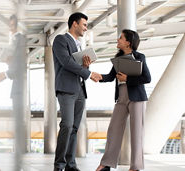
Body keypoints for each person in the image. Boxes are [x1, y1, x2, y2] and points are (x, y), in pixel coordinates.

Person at [94, 29, 151, 171]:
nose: (118, 40)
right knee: (113, 129)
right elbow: (110, 76)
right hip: (121, 97)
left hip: (137, 98)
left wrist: (127, 79)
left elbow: (147, 78)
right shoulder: (118, 58)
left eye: (121, 38)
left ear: (128, 42)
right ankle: (106, 163)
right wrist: (98, 76)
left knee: (137, 132)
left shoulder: (140, 57)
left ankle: (135, 167)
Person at [52, 12, 101, 171]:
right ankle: (59, 165)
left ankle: (70, 165)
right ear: (74, 23)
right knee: (66, 125)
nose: (86, 28)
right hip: (66, 88)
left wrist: (86, 66)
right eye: (84, 24)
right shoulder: (61, 40)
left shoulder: (79, 44)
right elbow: (66, 62)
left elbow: (77, 66)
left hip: (79, 89)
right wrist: (88, 73)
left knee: (74, 128)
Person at [0, 14, 28, 171]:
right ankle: (18, 161)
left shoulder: (20, 39)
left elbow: (19, 66)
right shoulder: (16, 41)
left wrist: (6, 73)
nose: (11, 28)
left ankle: (18, 162)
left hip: (19, 89)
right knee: (18, 125)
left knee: (18, 126)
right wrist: (10, 62)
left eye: (13, 25)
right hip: (17, 88)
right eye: (10, 25)